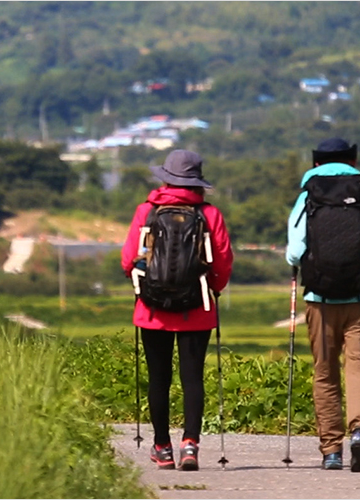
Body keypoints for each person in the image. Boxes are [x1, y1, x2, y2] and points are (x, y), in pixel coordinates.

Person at [285, 138, 360, 472]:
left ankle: (331, 451)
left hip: (320, 301)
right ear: (353, 160)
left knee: (325, 373)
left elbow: (294, 253)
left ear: (316, 163)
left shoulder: (307, 197)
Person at [121, 149, 233, 471]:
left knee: (159, 380)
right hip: (197, 307)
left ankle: (162, 448)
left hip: (151, 310)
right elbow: (222, 262)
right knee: (192, 379)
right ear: (197, 181)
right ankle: (190, 445)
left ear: (166, 178)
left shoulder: (146, 211)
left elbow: (129, 259)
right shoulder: (210, 215)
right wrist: (213, 288)